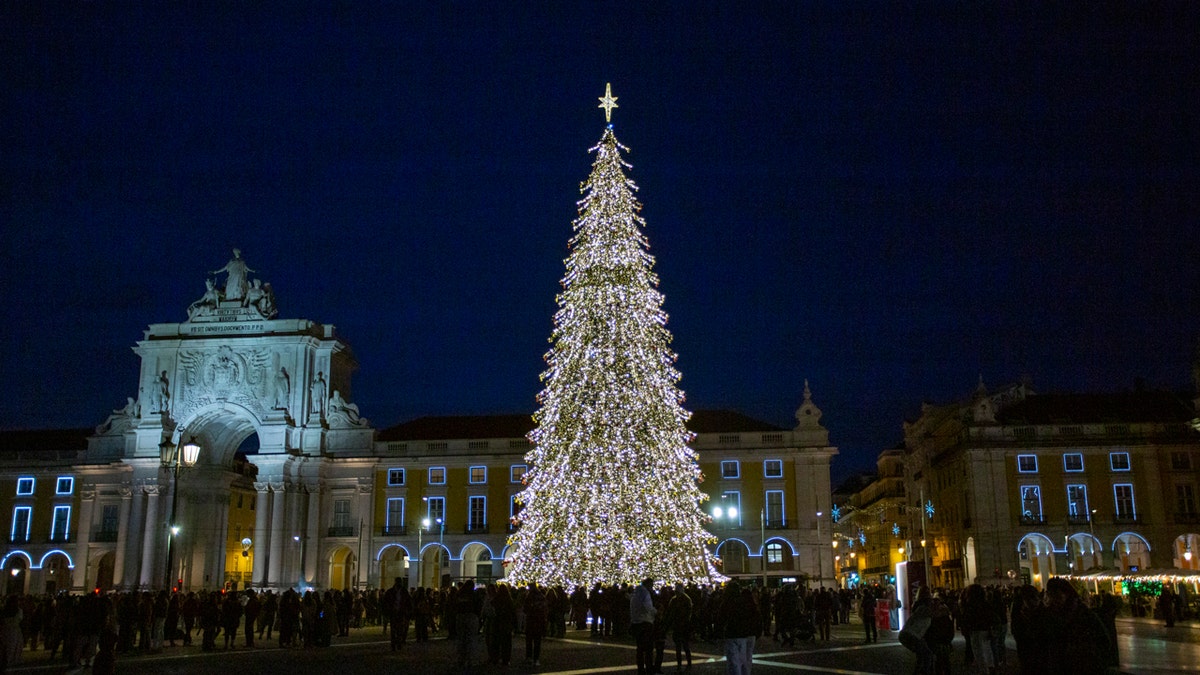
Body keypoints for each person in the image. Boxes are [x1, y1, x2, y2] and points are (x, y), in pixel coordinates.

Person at [1043, 578, 1110, 674]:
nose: (1054, 600)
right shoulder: (1049, 615)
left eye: (1057, 596)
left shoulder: (1084, 614)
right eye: (1051, 596)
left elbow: (1103, 640)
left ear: (1067, 595)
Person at [716, 582, 761, 675]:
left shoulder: (726, 602)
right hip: (743, 634)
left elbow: (720, 618)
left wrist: (718, 632)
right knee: (742, 659)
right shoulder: (743, 602)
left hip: (731, 633)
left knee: (733, 660)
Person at [630, 578, 657, 675]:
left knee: (640, 649)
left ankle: (640, 669)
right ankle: (649, 668)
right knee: (649, 649)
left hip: (636, 623)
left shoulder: (635, 594)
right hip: (645, 623)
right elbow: (648, 608)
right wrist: (656, 612)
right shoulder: (645, 594)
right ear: (648, 584)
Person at [664, 583, 693, 671]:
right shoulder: (686, 599)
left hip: (681, 625)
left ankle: (683, 663)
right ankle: (685, 663)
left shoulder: (676, 600)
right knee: (682, 646)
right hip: (682, 625)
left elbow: (671, 613)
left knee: (682, 646)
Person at [524, 583, 548, 666]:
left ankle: (529, 657)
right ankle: (536, 658)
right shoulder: (541, 596)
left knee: (529, 641)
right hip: (538, 621)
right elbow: (544, 609)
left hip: (531, 621)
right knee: (537, 642)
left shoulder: (529, 596)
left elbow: (525, 609)